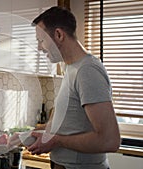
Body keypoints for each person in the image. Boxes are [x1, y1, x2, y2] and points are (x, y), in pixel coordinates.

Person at [28, 6, 121, 169]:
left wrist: (56, 141)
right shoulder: (71, 68)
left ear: (58, 35)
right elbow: (68, 121)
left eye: (41, 41)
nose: (39, 48)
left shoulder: (88, 71)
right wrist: (38, 135)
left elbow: (109, 140)